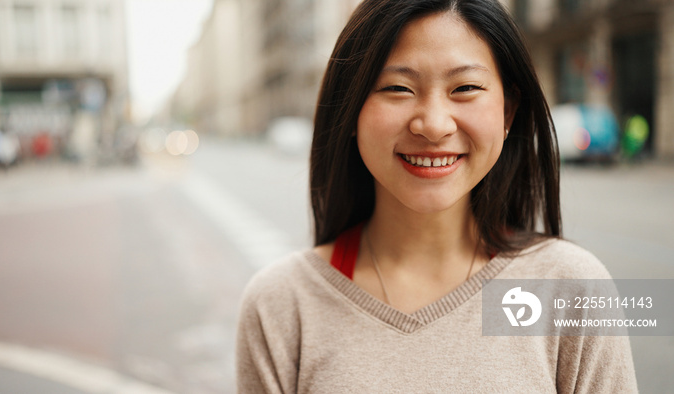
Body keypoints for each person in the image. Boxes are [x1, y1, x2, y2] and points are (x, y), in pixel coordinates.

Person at [236, 0, 638, 392]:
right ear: (351, 110)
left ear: (508, 113)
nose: (433, 124)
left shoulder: (572, 286)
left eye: (464, 87)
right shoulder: (280, 305)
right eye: (397, 88)